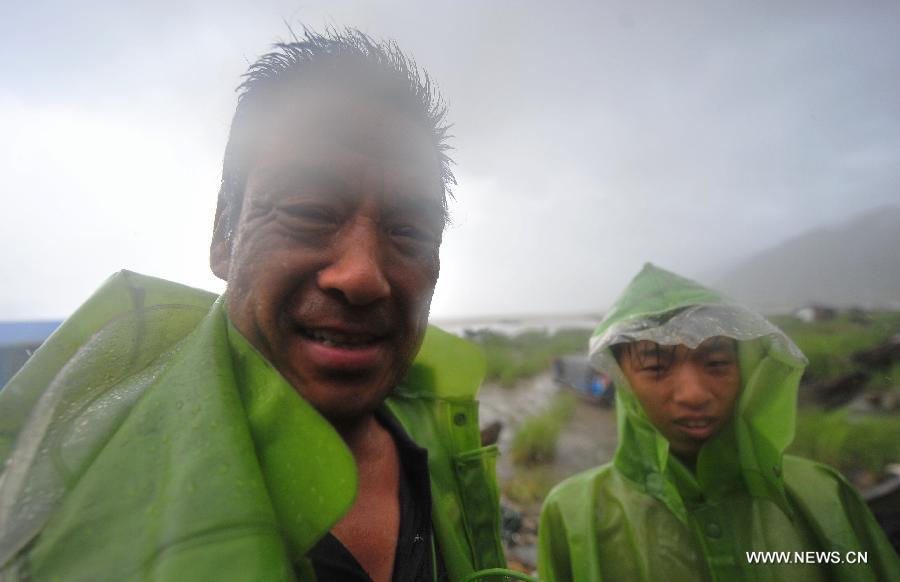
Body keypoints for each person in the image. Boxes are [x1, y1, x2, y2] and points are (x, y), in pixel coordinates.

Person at [0, 27, 513, 581]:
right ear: (225, 236)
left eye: (410, 231)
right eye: (310, 210)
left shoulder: (439, 435)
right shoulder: (80, 497)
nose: (363, 275)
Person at [538, 263, 900, 581]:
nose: (694, 394)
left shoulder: (824, 495)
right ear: (622, 381)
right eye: (656, 367)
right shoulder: (573, 514)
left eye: (716, 364)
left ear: (746, 367)